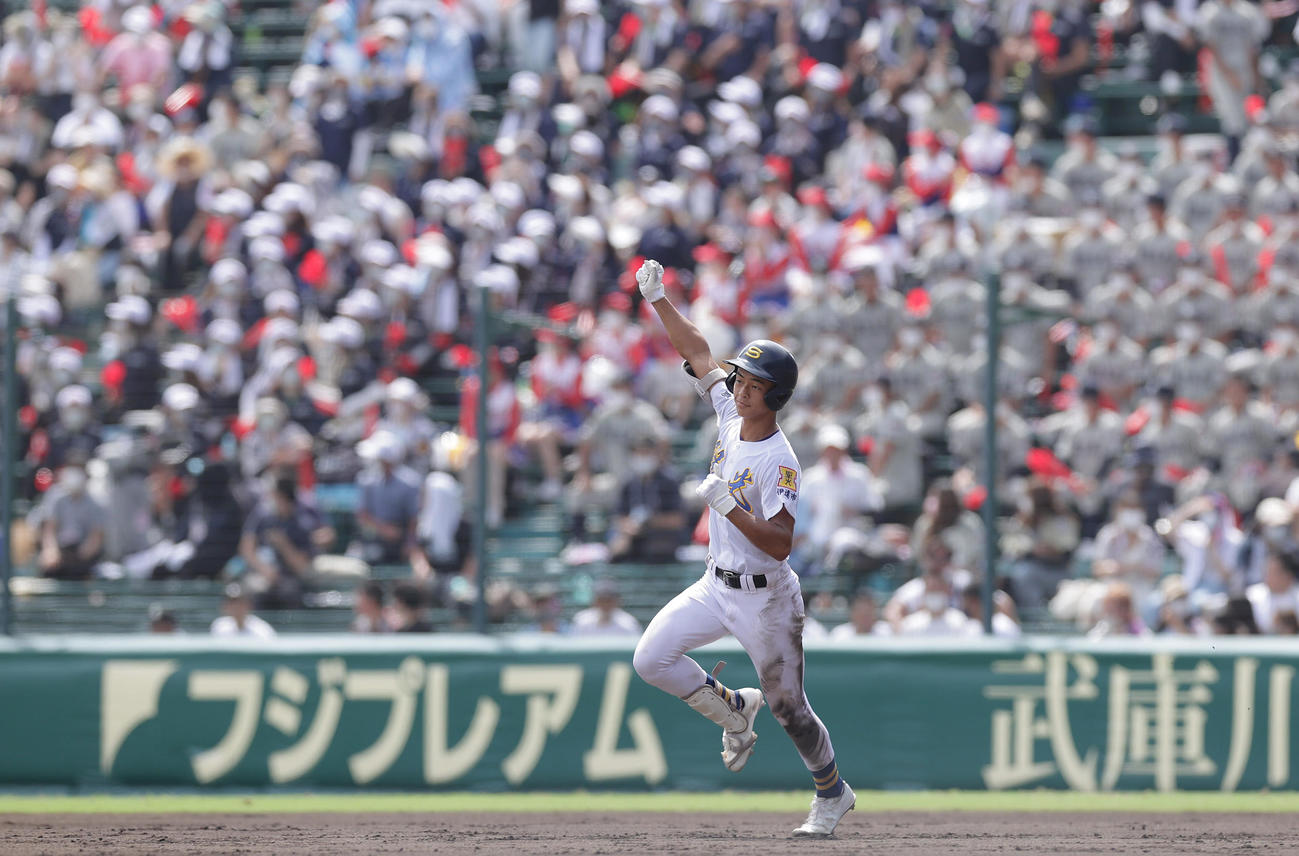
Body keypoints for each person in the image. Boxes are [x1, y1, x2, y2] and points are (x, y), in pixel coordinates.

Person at [630, 258, 854, 838]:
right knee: (651, 659)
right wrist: (659, 300)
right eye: (740, 379)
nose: (739, 387)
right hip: (716, 582)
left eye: (753, 384)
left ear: (774, 396)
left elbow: (781, 544)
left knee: (790, 711)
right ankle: (733, 709)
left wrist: (730, 506)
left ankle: (832, 793)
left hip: (766, 597)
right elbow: (701, 354)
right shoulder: (731, 415)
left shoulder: (780, 459)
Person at [571, 579, 642, 636]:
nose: (605, 604)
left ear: (617, 601)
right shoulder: (582, 621)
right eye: (601, 600)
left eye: (609, 600)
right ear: (595, 601)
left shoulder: (628, 623)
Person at [210, 584, 277, 638]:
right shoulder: (219, 626)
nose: (236, 606)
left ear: (249, 605)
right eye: (232, 602)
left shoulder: (261, 629)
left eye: (240, 602)